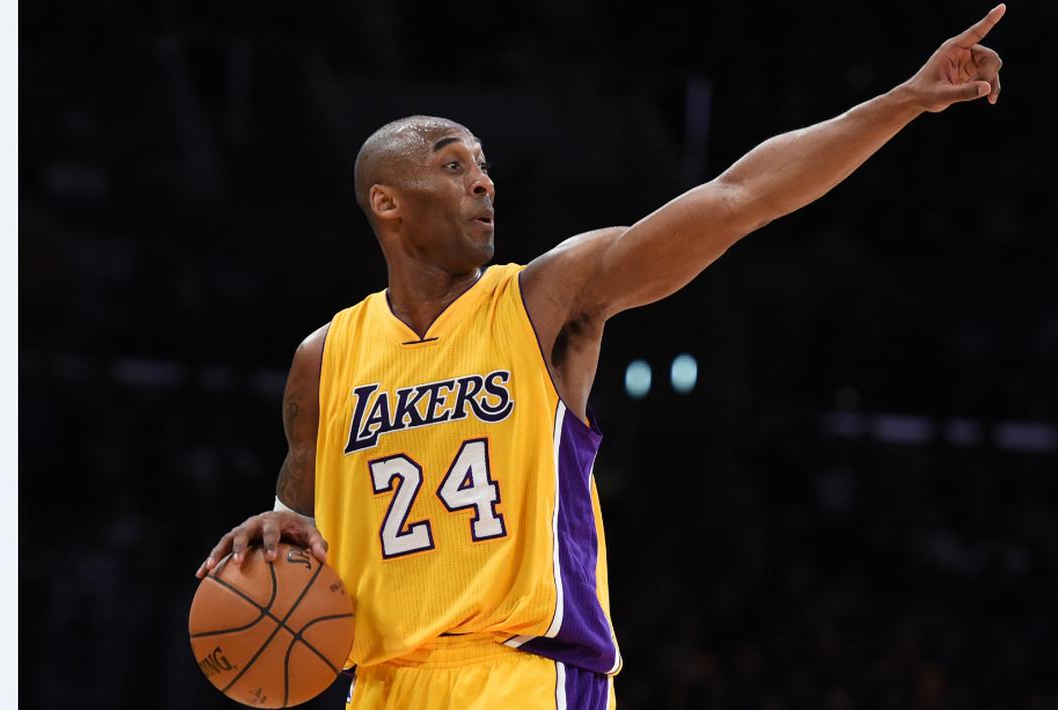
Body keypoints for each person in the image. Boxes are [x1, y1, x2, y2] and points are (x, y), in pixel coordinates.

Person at [197, 6, 1006, 708]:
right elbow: (299, 515)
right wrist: (276, 525)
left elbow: (737, 199)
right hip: (376, 687)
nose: (482, 183)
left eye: (482, 167)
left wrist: (905, 100)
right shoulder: (324, 356)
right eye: (452, 165)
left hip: (524, 678)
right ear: (387, 202)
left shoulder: (544, 299)